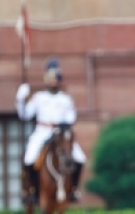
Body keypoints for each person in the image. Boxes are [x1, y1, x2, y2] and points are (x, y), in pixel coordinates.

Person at [17, 58, 86, 203]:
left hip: (60, 134)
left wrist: (63, 125)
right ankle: (32, 191)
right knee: (29, 158)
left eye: (56, 78)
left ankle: (73, 189)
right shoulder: (38, 98)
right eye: (51, 78)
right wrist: (21, 99)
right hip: (42, 132)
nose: (53, 81)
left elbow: (71, 117)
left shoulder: (66, 99)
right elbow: (25, 114)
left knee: (80, 158)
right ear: (46, 79)